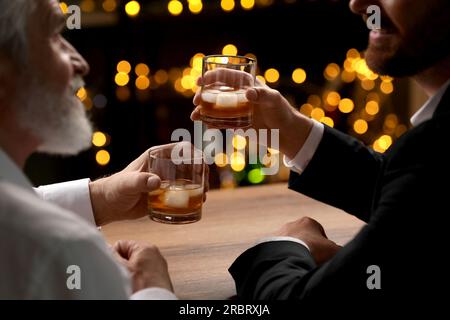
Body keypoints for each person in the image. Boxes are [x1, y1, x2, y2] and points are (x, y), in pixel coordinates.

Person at [192, 0, 450, 307]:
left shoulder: (432, 145)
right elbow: (421, 200)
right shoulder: (430, 156)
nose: (358, 4)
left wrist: (287, 245)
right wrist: (290, 130)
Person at [0, 0, 176, 299]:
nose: (81, 62)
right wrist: (154, 290)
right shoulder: (62, 251)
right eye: (53, 36)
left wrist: (100, 198)